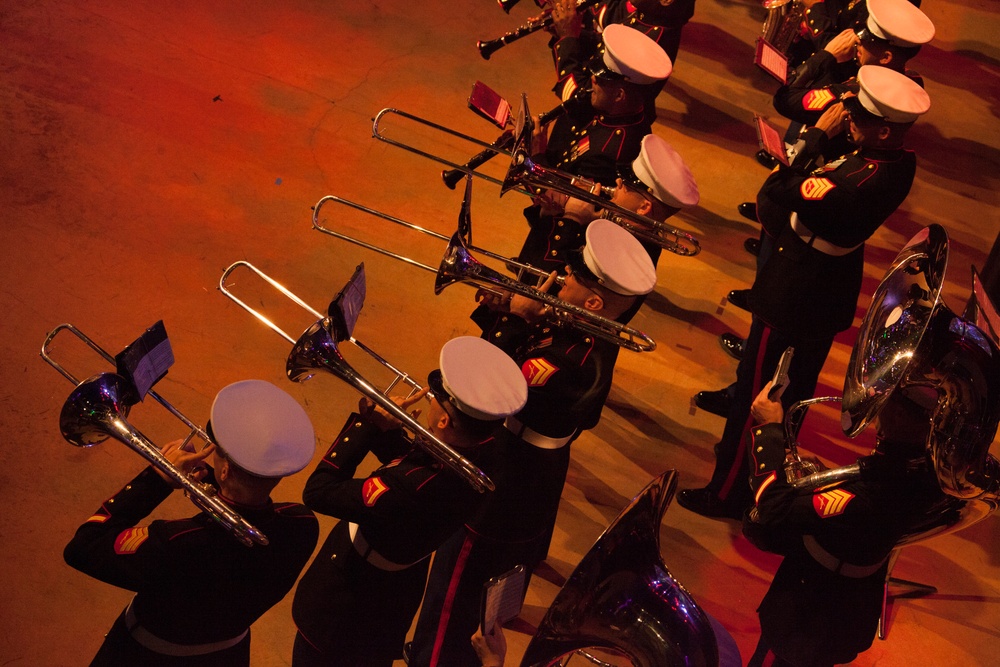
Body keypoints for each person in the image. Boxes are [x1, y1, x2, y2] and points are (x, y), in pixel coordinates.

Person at [680, 66, 931, 519]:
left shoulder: (851, 186)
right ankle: (768, 473)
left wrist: (814, 137)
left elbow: (778, 188)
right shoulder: (897, 160)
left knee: (758, 395)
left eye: (858, 116)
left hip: (796, 289)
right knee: (791, 394)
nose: (847, 119)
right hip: (827, 286)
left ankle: (728, 493)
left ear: (885, 128)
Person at [409, 220, 657, 667]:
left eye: (571, 279)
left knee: (458, 584)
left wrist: (512, 319)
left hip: (507, 473)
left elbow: (481, 388)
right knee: (494, 579)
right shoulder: (596, 335)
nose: (559, 279)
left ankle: (435, 657)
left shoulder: (564, 361)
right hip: (539, 467)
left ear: (595, 301)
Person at [290, 337, 528, 666]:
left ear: (444, 422)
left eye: (434, 398)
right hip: (397, 588)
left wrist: (366, 425)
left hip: (350, 603)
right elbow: (416, 466)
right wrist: (388, 432)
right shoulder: (487, 449)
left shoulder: (406, 487)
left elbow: (318, 490)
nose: (428, 399)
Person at [63, 380, 320, 667]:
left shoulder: (176, 541)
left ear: (224, 470)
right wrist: (211, 479)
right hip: (228, 655)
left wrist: (157, 478)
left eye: (216, 452)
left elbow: (82, 547)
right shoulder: (302, 524)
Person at [540, 23, 672, 184]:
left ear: (619, 95)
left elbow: (556, 203)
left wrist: (535, 154)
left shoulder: (608, 154)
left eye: (601, 79)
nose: (592, 80)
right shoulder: (621, 113)